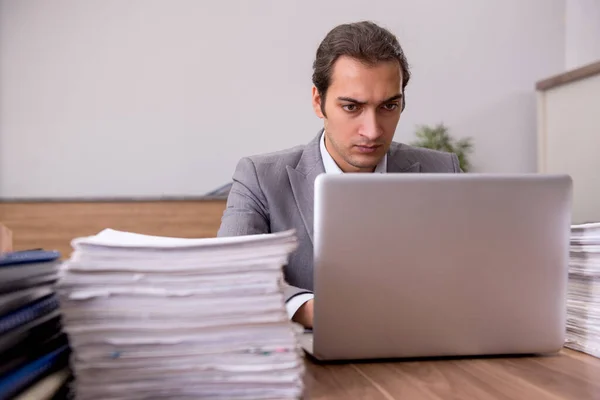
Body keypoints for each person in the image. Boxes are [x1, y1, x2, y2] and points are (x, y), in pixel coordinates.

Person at [217, 21, 461, 328]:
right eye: (351, 107)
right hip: (315, 359)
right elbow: (231, 275)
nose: (372, 131)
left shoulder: (442, 172)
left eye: (389, 106)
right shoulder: (260, 178)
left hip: (423, 349)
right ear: (319, 102)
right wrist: (310, 309)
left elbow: (475, 274)